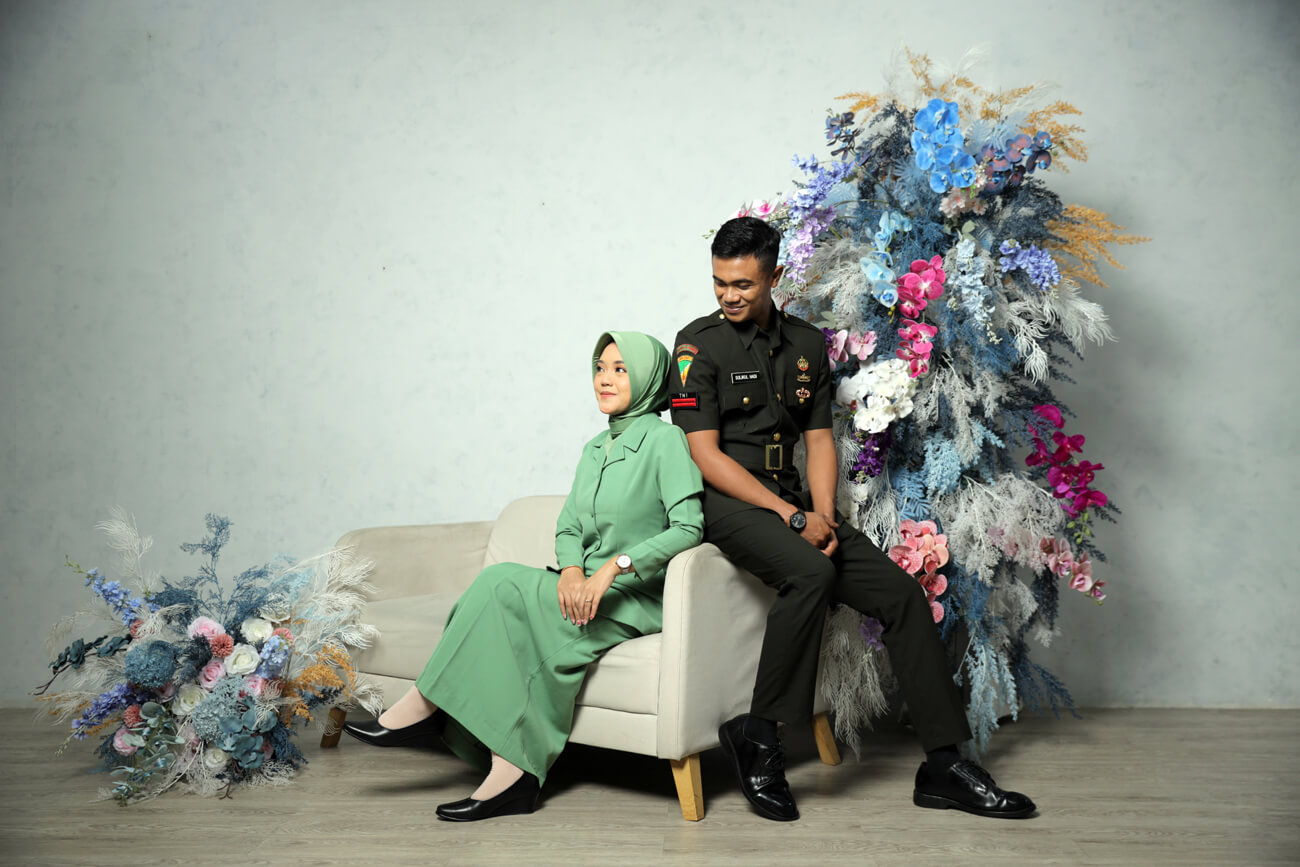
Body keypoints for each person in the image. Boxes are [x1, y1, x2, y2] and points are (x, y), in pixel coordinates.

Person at [670, 217, 1035, 821]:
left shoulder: (806, 345)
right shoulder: (697, 345)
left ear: (775, 276)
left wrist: (820, 514)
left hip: (796, 504)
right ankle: (760, 736)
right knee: (811, 572)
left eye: (743, 284)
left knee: (902, 596)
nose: (728, 295)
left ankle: (943, 765)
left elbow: (818, 440)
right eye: (719, 282)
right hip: (728, 504)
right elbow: (703, 455)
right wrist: (792, 518)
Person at [343, 331, 704, 822]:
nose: (605, 379)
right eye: (600, 368)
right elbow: (569, 526)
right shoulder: (594, 449)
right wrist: (572, 571)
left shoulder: (665, 441)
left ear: (647, 377)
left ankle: (426, 708)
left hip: (635, 595)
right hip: (583, 588)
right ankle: (510, 776)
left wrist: (612, 570)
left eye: (621, 369)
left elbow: (689, 527)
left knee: (498, 583)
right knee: (498, 608)